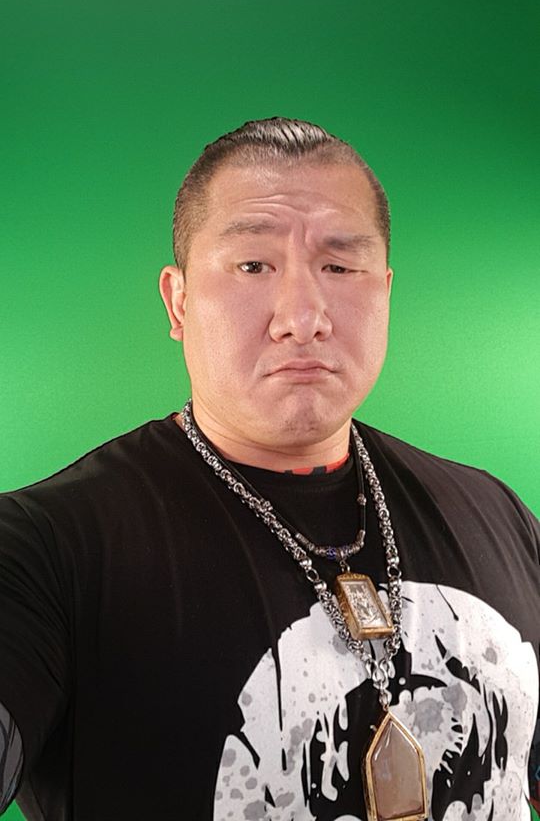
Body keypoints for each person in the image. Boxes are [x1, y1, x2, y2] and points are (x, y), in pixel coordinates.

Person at [0, 116, 538, 821]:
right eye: (253, 266)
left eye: (339, 267)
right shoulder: (42, 547)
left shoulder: (496, 514)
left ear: (384, 291)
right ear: (179, 301)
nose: (304, 316)